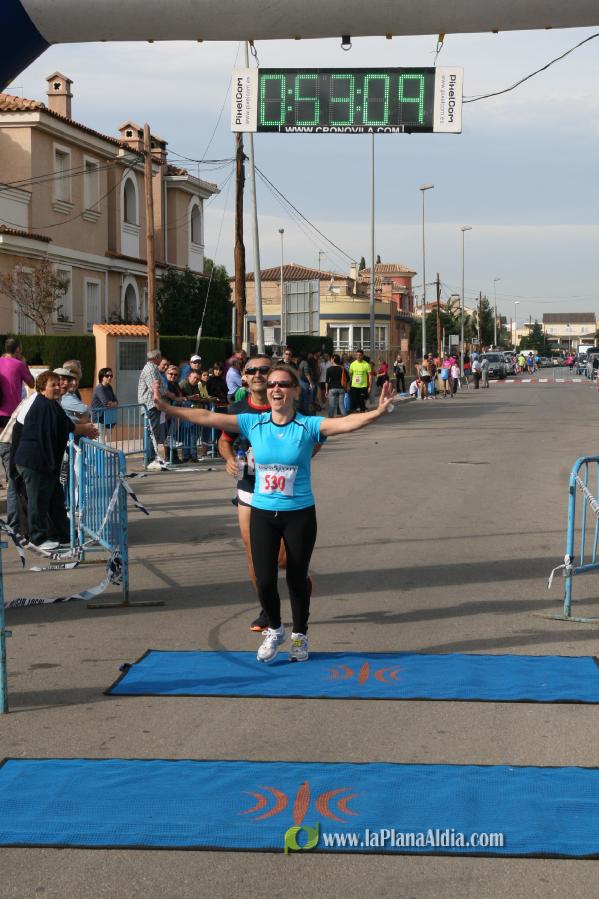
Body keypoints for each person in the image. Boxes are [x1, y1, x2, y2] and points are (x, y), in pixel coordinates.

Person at [157, 364, 395, 662]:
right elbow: (206, 416)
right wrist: (167, 407)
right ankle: (275, 628)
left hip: (299, 514)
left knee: (296, 580)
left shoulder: (308, 426)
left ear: (295, 390)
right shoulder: (252, 423)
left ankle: (300, 635)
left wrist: (378, 411)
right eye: (271, 385)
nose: (276, 389)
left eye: (283, 384)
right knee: (265, 579)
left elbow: (347, 423)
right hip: (263, 513)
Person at [13, 370, 98, 550]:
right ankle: (37, 539)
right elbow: (59, 430)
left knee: (55, 499)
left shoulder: (51, 405)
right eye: (54, 385)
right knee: (38, 501)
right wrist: (85, 429)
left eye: (59, 384)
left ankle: (65, 534)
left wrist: (84, 429)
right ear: (43, 389)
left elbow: (66, 425)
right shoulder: (43, 405)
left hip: (43, 464)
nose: (58, 387)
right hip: (34, 463)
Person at [138, 349, 167, 470]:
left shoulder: (154, 369)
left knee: (153, 432)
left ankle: (152, 458)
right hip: (150, 405)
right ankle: (149, 459)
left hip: (153, 405)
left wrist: (162, 389)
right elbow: (153, 387)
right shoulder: (150, 369)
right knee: (152, 434)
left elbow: (163, 386)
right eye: (160, 357)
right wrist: (161, 390)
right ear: (156, 357)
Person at [0, 337, 34, 428]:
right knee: (9, 442)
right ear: (18, 349)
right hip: (12, 412)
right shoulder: (19, 364)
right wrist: (24, 364)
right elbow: (32, 384)